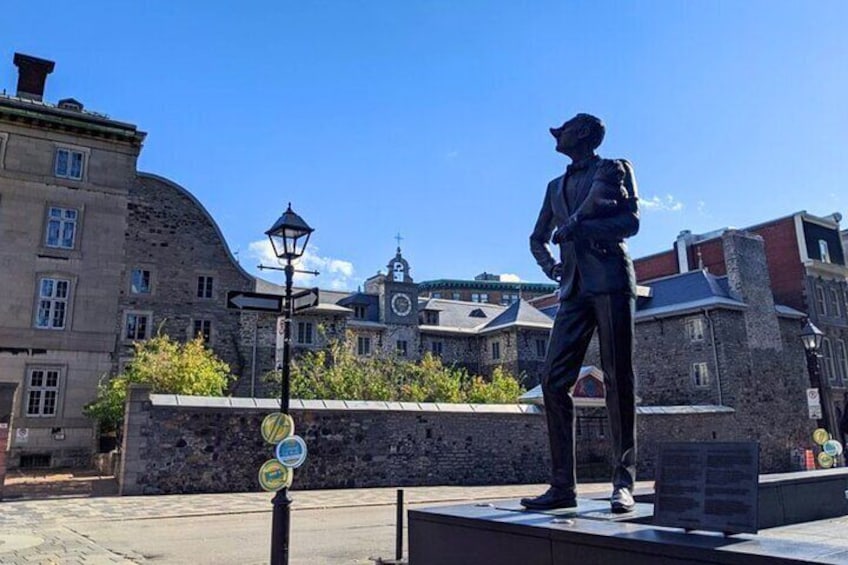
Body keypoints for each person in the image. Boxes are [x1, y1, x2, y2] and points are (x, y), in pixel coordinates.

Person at [524, 113, 640, 513]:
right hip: (573, 288)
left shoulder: (615, 168)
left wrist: (580, 229)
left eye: (568, 127)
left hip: (610, 280)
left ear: (586, 134)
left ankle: (623, 482)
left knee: (617, 377)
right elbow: (537, 237)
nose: (558, 132)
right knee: (553, 381)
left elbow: (631, 223)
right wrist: (550, 267)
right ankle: (562, 486)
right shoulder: (555, 186)